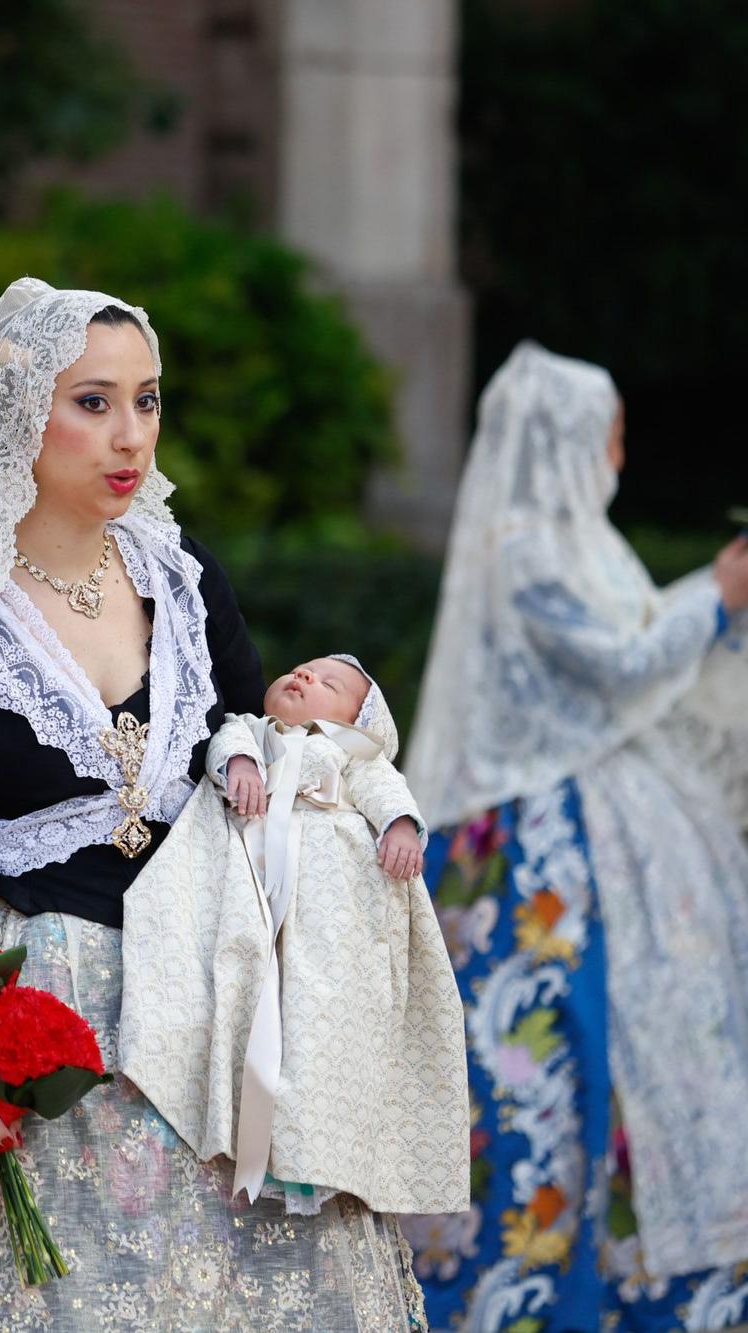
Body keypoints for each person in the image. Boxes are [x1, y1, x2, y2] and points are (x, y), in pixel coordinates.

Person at [0, 280, 424, 1330]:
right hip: (28, 1016)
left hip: (205, 1016)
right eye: (93, 403)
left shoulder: (184, 577)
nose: (129, 437)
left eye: (146, 402)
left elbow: (273, 773)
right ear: (20, 411)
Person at [397, 341, 748, 1330]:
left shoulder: (578, 538)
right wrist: (714, 596)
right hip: (533, 835)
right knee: (540, 1054)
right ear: (564, 438)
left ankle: (636, 1282)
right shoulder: (526, 545)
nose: (619, 456)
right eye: (611, 434)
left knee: (633, 1051)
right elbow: (616, 659)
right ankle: (517, 1286)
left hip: (605, 812)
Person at [120, 653, 469, 1218]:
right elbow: (226, 744)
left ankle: (308, 1156)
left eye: (328, 683)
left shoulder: (352, 752)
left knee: (315, 1021)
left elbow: (385, 788)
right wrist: (241, 768)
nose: (306, 677)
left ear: (359, 722)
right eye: (303, 670)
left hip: (325, 908)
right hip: (250, 886)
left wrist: (401, 827)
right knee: (237, 987)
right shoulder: (252, 731)